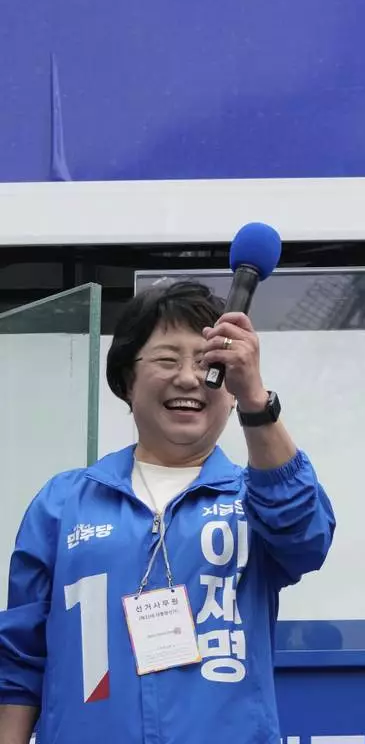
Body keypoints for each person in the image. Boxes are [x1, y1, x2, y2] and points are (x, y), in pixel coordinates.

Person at [0, 280, 335, 744]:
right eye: (167, 359)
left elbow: (307, 540)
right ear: (127, 380)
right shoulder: (63, 502)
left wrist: (257, 402)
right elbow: (21, 658)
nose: (189, 378)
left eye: (207, 363)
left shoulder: (256, 497)